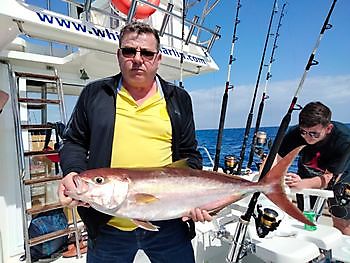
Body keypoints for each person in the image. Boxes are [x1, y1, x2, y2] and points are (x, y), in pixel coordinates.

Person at [58, 21, 211, 262]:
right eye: (129, 51)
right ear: (119, 55)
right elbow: (73, 141)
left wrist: (194, 200)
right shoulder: (95, 94)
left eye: (147, 53)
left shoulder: (179, 98)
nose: (138, 59)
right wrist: (72, 171)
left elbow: (190, 154)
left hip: (168, 223)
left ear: (158, 58)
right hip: (108, 224)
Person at [277, 101, 350, 235]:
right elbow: (276, 161)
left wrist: (302, 184)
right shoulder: (295, 133)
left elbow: (330, 178)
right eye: (304, 132)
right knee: (305, 217)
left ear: (328, 129)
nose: (307, 138)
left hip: (341, 175)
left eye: (314, 134)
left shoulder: (344, 140)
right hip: (308, 171)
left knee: (341, 221)